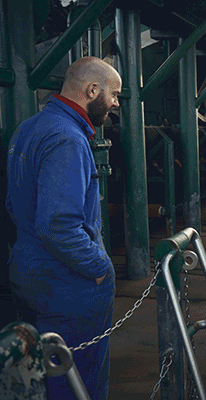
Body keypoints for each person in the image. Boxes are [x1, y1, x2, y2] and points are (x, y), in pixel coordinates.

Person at [6, 56, 121, 400]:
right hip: (67, 283)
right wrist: (99, 267)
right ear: (92, 90)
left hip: (28, 270)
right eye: (114, 94)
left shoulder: (28, 129)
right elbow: (58, 225)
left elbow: (14, 203)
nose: (115, 103)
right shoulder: (68, 138)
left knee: (40, 373)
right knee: (76, 380)